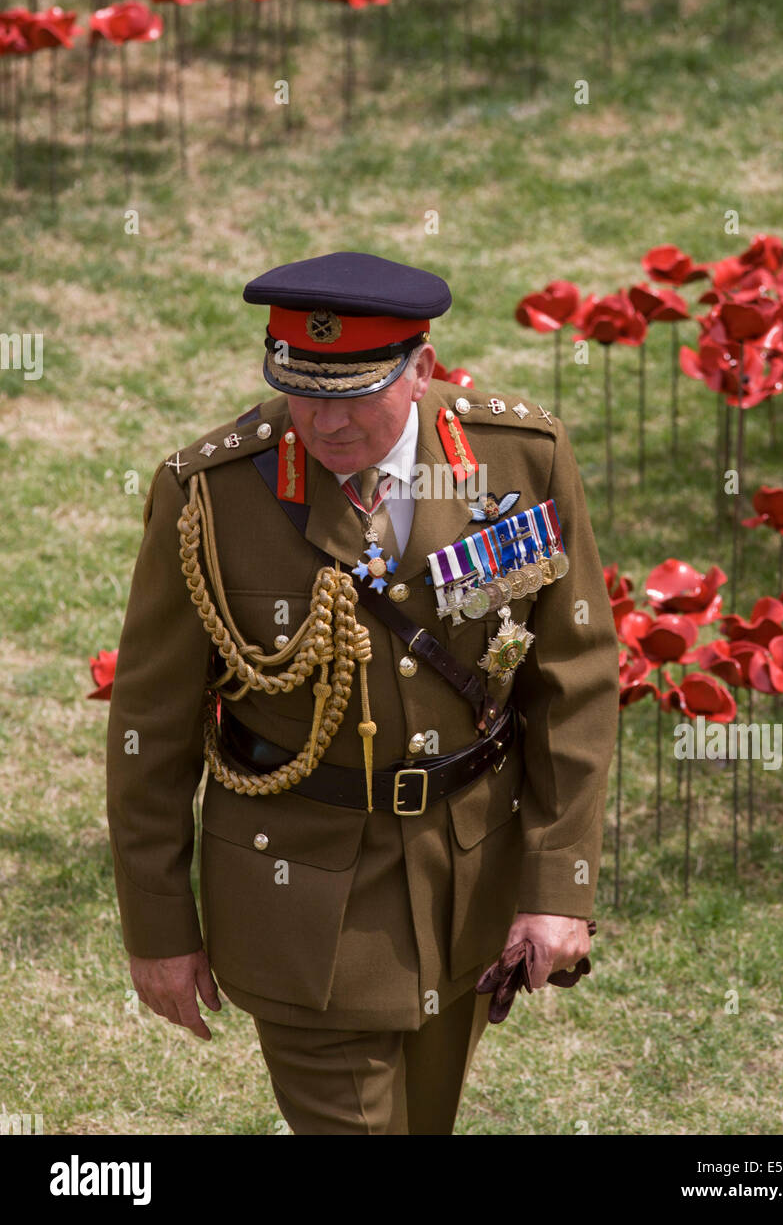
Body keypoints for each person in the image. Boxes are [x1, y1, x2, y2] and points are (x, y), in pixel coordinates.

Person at [106, 249, 619, 1136]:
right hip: (298, 897)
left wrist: (558, 883)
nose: (325, 421)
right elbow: (150, 728)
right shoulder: (212, 496)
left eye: (355, 394)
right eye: (301, 390)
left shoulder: (518, 458)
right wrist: (158, 928)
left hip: (466, 886)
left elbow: (573, 682)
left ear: (422, 367)